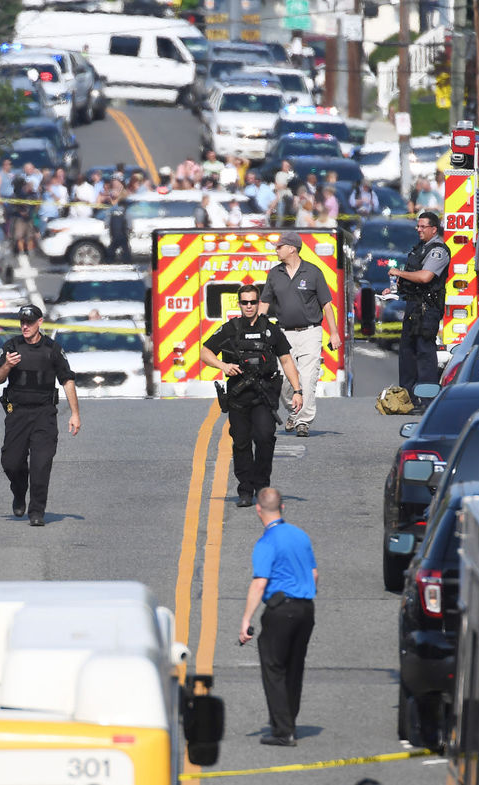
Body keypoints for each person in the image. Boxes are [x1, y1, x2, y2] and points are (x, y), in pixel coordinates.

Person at [200, 285, 304, 507]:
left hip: (264, 394)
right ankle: (245, 490)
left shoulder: (270, 330)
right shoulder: (231, 329)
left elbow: (286, 360)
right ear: (239, 304)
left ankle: (262, 485)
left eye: (253, 302)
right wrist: (223, 365)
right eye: (245, 302)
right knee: (241, 442)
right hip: (238, 397)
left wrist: (297, 391)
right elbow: (205, 352)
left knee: (265, 437)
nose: (249, 306)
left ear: (259, 303)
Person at [238, 487, 317, 747]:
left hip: (281, 611)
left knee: (274, 668)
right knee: (295, 667)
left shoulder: (267, 542)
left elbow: (260, 583)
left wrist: (246, 620)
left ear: (258, 510)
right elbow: (314, 574)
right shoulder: (300, 535)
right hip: (306, 609)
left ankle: (283, 731)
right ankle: (289, 721)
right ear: (282, 508)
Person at [0, 304, 81, 526]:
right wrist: (7, 366)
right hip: (17, 413)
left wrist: (75, 414)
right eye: (22, 322)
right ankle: (19, 491)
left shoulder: (52, 349)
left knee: (41, 464)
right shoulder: (11, 346)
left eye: (29, 322)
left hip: (44, 414)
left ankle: (36, 511)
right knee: (11, 462)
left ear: (40, 322)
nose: (25, 326)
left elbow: (67, 380)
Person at [258, 232, 342, 437]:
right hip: (283, 333)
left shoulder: (313, 272)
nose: (276, 250)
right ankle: (293, 412)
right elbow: (264, 302)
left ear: (292, 249)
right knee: (284, 379)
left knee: (308, 376)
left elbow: (327, 305)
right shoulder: (274, 274)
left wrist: (334, 333)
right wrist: (257, 329)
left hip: (310, 332)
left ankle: (303, 421)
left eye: (280, 247)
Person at [388, 211, 450, 406]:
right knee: (407, 353)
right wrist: (398, 285)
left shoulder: (438, 251)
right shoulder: (420, 248)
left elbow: (425, 277)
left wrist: (400, 272)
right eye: (418, 226)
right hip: (413, 307)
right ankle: (408, 398)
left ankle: (426, 399)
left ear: (434, 229)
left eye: (423, 226)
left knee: (424, 353)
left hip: (427, 309)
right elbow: (413, 279)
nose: (419, 229)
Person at [106, 190, 131, 263]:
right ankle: (127, 260)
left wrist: (106, 225)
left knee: (112, 247)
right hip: (123, 233)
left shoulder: (112, 210)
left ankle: (109, 259)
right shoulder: (126, 211)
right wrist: (130, 228)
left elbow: (107, 220)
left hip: (114, 233)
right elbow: (129, 221)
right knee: (125, 248)